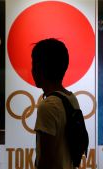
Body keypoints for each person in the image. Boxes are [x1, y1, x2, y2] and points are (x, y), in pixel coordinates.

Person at [32, 38, 80, 169]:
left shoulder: (48, 106)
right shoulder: (71, 98)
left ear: (38, 68)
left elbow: (46, 161)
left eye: (34, 64)